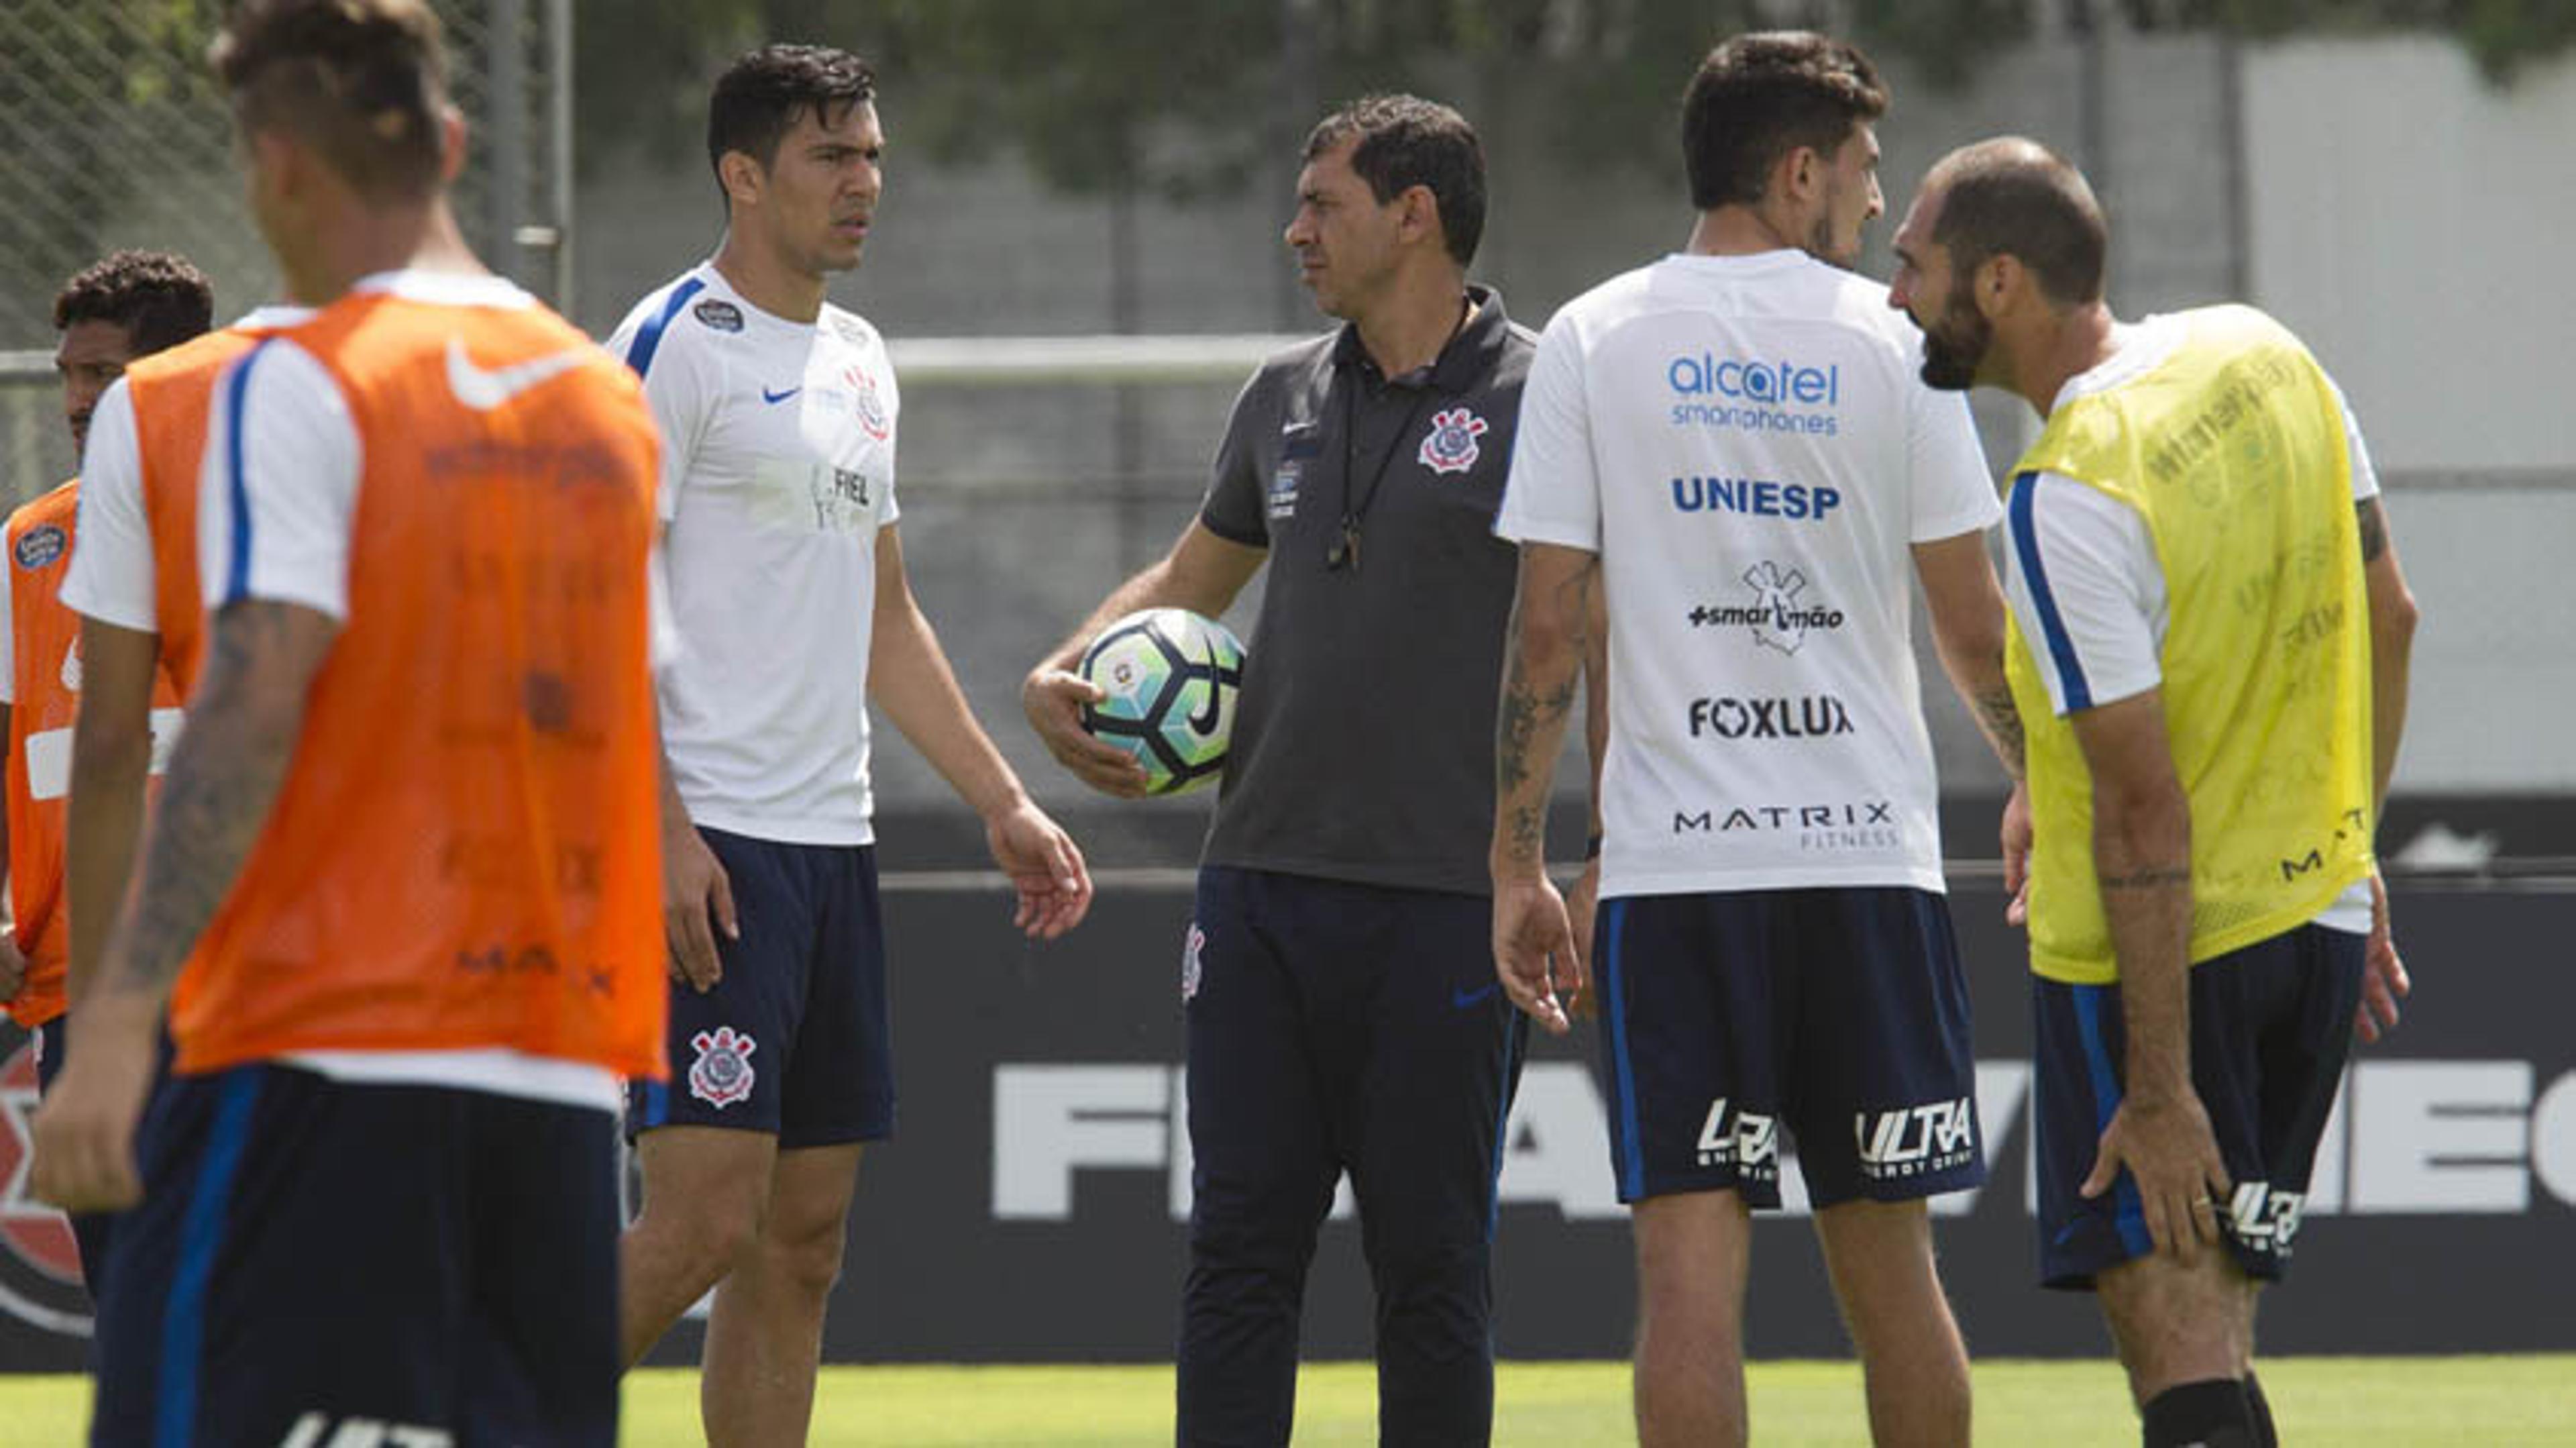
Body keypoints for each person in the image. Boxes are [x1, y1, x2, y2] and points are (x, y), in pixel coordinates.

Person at [30, 1, 669, 1440]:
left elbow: (252, 696)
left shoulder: (300, 381)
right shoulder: (600, 400)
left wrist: (119, 1021)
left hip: (316, 1047)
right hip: (559, 1057)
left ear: (274, 170)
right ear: (447, 140)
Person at [1488, 33, 2029, 1448]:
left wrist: (1519, 858)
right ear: (1797, 172)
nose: (1873, 202)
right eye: (1859, 172)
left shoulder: (1594, 336)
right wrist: (2046, 782)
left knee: (1684, 1276)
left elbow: (1550, 626)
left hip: (1678, 880)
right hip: (1867, 867)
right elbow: (1972, 628)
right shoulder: (1895, 345)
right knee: (1893, 1273)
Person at [1886, 136, 2420, 1448]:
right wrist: (2350, 848)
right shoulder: (2267, 351)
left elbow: (2138, 808)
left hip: (2165, 961)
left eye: (1915, 264)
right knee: (2217, 1319)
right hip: (2320, 917)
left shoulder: (2068, 492)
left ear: (1999, 282)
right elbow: (2391, 616)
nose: (1895, 293)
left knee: (2174, 1323)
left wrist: (2161, 1082)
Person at [1024, 93, 1538, 1446]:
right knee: (1240, 1255)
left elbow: (1612, 629)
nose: (1294, 227)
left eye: (1324, 202)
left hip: (1444, 897)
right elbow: (1188, 584)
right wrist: (1064, 663)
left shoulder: (1548, 392)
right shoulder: (1282, 395)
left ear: (1414, 215)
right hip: (1257, 894)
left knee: (1433, 1270)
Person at [608, 43, 1093, 1445]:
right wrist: (662, 824)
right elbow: (584, 603)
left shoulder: (862, 358)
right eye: (833, 156)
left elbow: (886, 612)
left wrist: (1003, 797)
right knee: (699, 1221)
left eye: (873, 153)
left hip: (832, 844)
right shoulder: (669, 344)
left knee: (801, 1240)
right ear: (743, 175)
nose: (866, 182)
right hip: (711, 843)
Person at [0, 249, 209, 1292]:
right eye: (71, 375)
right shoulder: (27, 547)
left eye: (107, 377)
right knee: (129, 1298)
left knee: (241, 1300)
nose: (78, 401)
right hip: (76, 980)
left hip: (233, 972)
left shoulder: (257, 530)